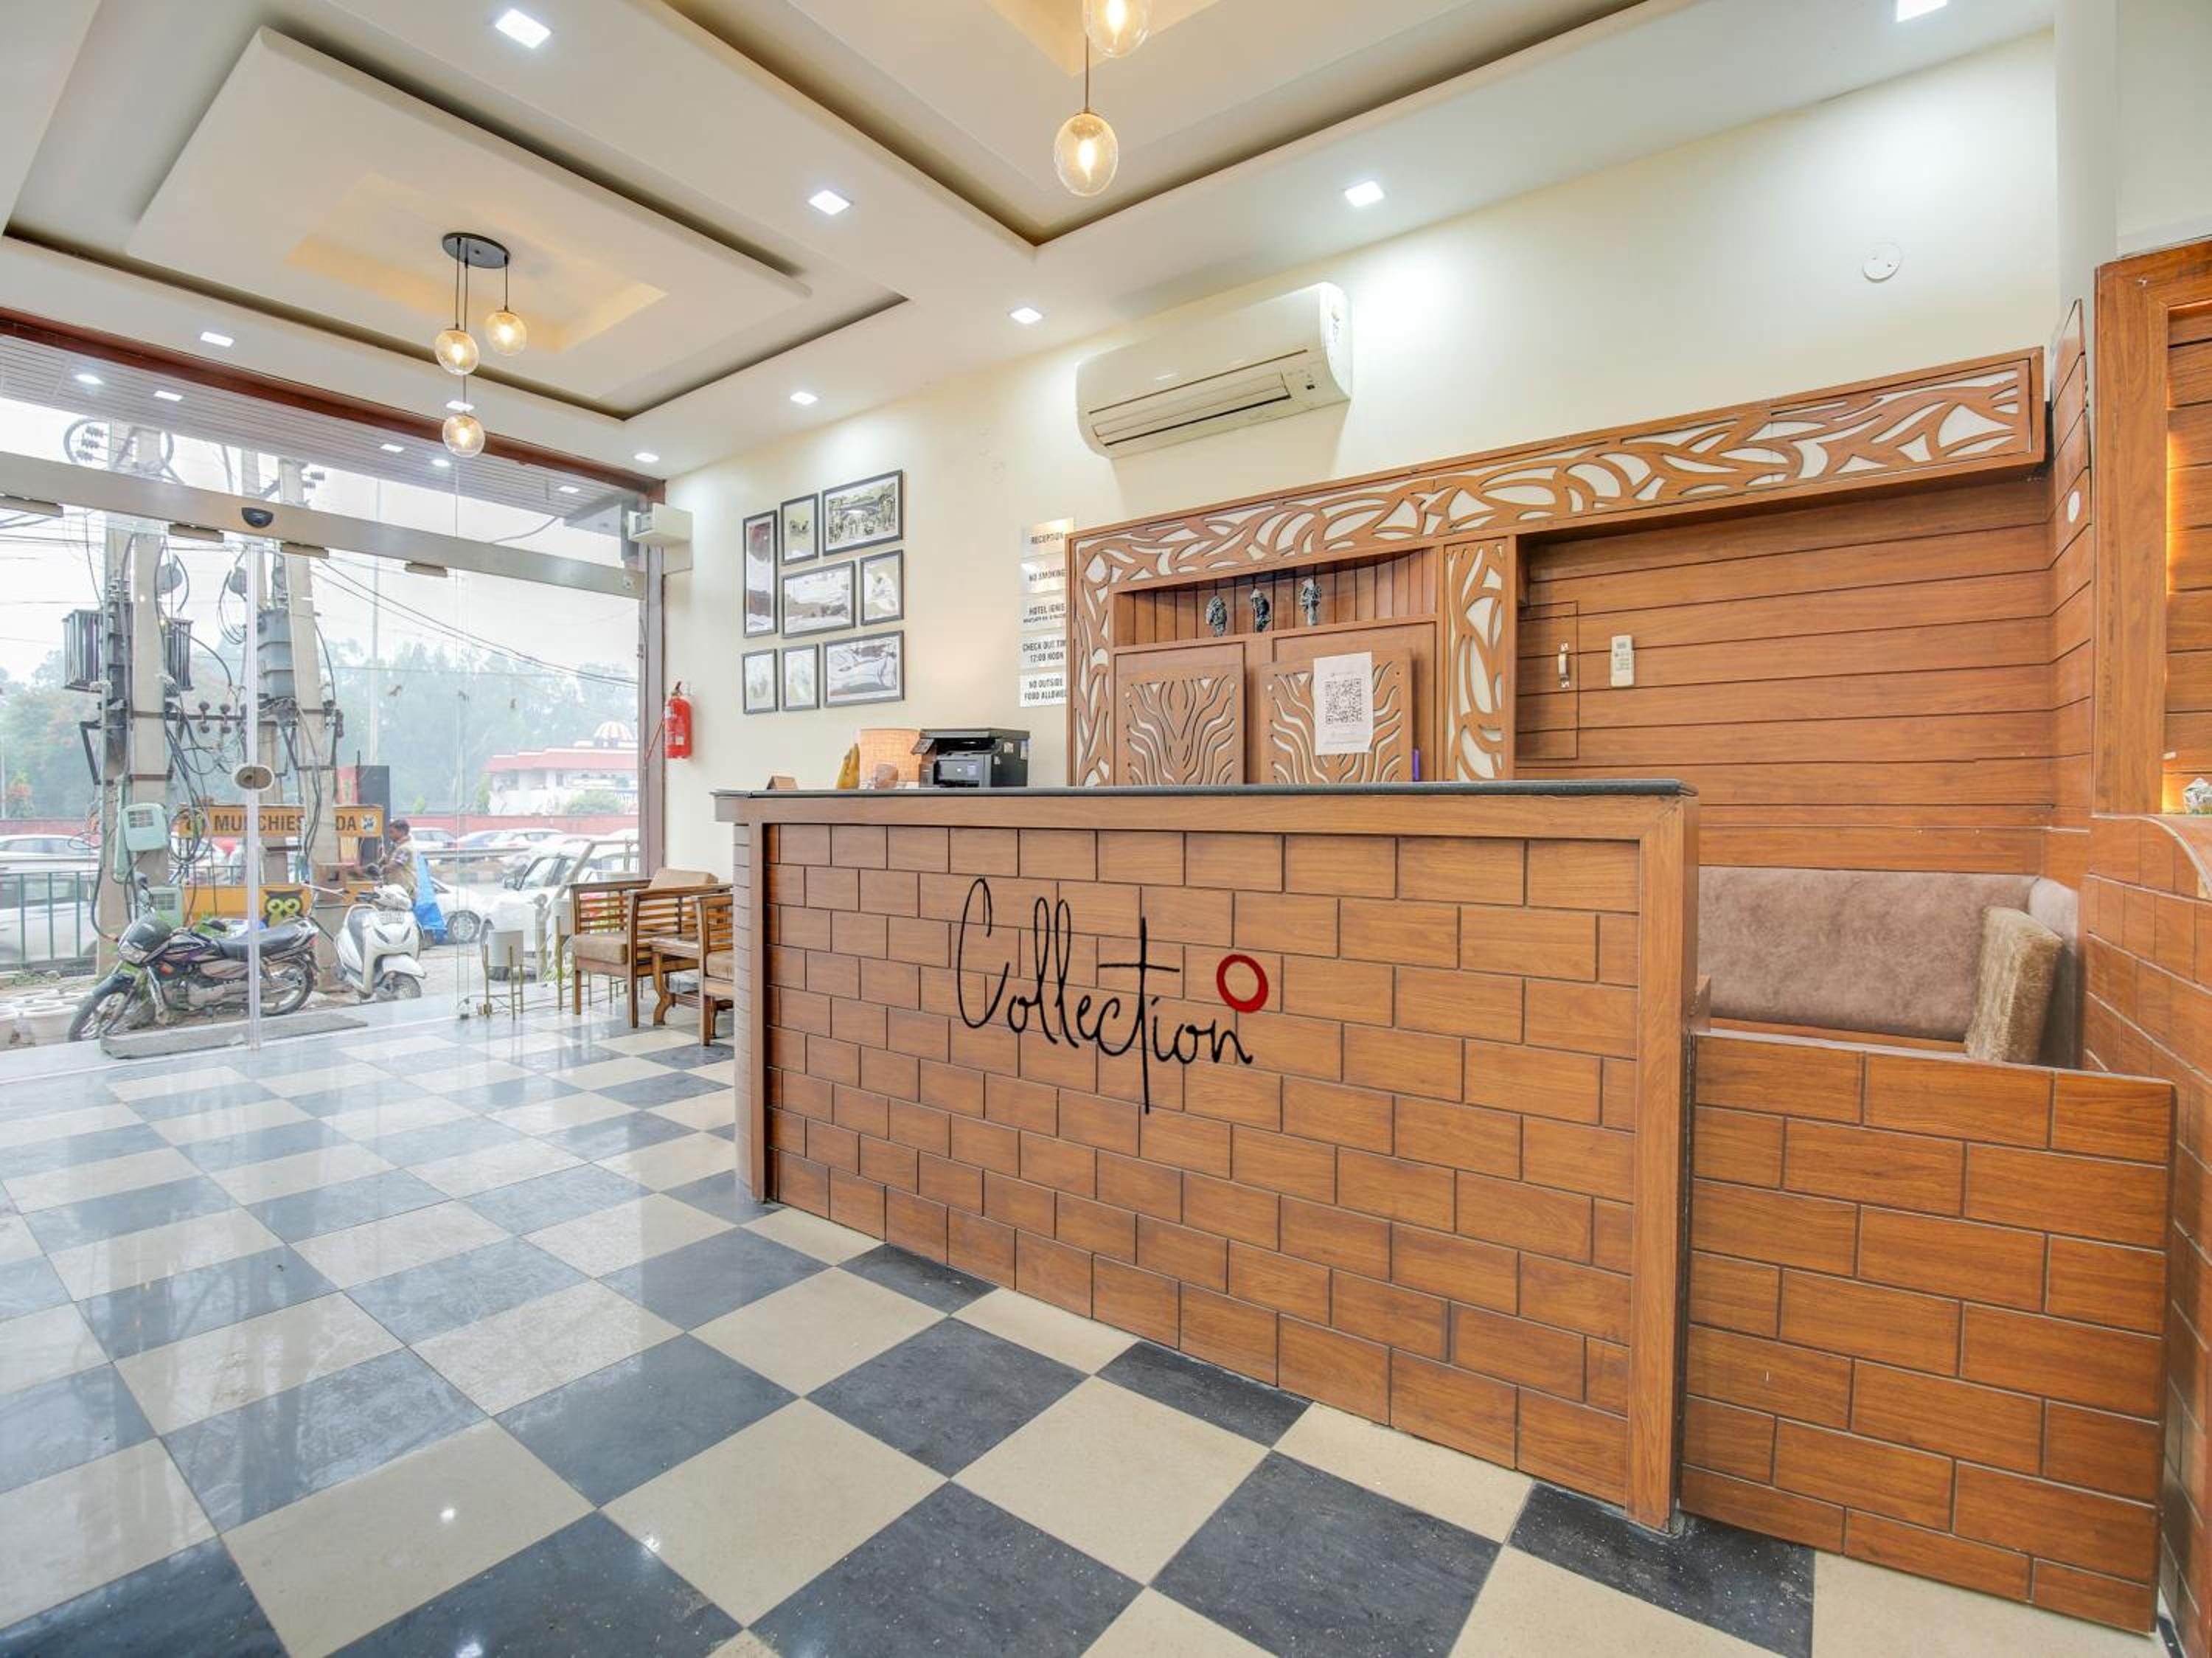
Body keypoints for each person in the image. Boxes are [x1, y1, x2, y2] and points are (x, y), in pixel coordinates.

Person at [357, 819, 419, 903]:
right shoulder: (396, 846)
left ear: (402, 832)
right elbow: (385, 861)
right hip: (396, 891)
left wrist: (369, 871)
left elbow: (391, 867)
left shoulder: (405, 849)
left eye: (392, 832)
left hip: (403, 892)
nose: (390, 835)